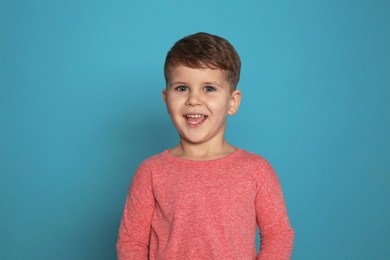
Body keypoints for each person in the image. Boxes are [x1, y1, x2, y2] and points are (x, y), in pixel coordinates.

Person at [116, 32, 294, 259]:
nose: (193, 100)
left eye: (208, 88)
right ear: (166, 99)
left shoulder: (257, 170)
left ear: (232, 102)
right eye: (182, 88)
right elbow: (132, 242)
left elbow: (278, 235)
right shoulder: (150, 172)